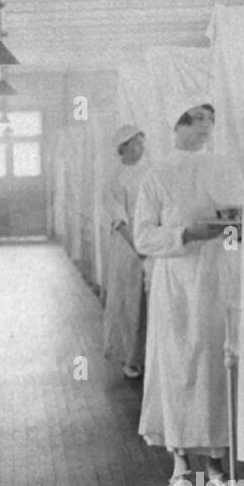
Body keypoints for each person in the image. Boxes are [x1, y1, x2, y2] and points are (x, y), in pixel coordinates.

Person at [133, 104, 241, 486]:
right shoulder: (157, 175)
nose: (204, 127)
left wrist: (232, 234)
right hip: (176, 285)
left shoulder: (223, 168)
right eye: (195, 119)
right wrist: (186, 235)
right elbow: (144, 237)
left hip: (215, 281)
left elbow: (233, 231)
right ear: (175, 124)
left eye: (210, 120)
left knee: (214, 366)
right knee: (177, 366)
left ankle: (215, 462)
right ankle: (179, 461)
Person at [103, 124, 150, 379]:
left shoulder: (148, 173)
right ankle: (130, 359)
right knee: (129, 302)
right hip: (127, 246)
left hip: (147, 244)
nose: (141, 149)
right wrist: (139, 247)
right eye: (136, 144)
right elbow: (119, 220)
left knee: (146, 304)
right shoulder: (115, 178)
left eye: (143, 144)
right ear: (124, 148)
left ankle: (147, 356)